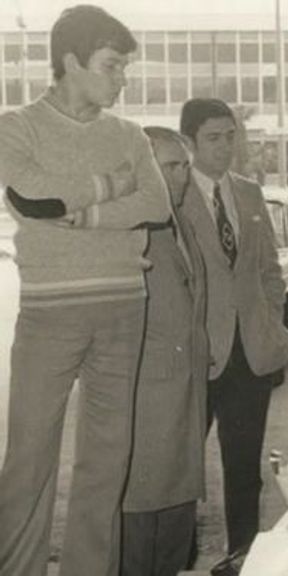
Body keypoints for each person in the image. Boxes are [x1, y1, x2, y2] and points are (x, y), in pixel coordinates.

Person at [0, 6, 170, 575]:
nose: (122, 77)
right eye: (112, 64)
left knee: (105, 461)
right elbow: (30, 198)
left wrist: (89, 215)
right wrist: (110, 185)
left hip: (124, 306)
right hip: (50, 311)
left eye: (124, 66)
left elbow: (157, 204)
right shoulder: (17, 125)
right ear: (71, 62)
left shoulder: (129, 133)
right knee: (28, 458)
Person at [178, 98, 288, 575]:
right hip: (196, 355)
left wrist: (274, 329)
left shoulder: (248, 193)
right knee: (181, 471)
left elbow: (269, 268)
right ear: (189, 143)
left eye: (231, 136)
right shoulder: (173, 194)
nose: (225, 147)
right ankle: (178, 561)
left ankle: (243, 560)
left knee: (244, 470)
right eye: (213, 138)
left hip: (250, 354)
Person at [120, 127, 209, 576]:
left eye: (185, 166)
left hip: (184, 398)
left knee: (176, 519)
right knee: (138, 530)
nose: (181, 177)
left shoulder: (181, 222)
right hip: (144, 404)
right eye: (169, 166)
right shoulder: (128, 230)